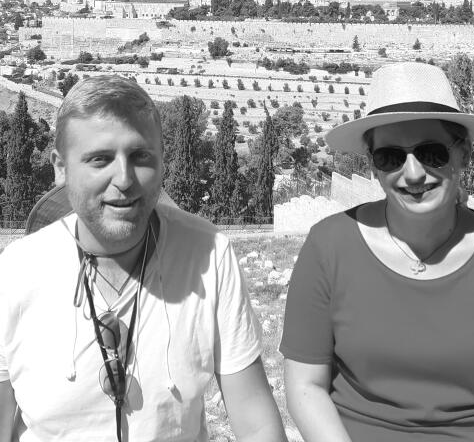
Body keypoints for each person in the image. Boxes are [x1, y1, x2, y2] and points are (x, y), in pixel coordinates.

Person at [0, 75, 287, 442]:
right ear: (60, 167)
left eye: (140, 157)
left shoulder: (208, 255)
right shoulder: (15, 272)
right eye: (100, 159)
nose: (124, 179)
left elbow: (257, 424)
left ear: (162, 161)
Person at [280, 62, 474, 442]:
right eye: (391, 157)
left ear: (463, 154)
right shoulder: (329, 247)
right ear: (372, 165)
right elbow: (305, 387)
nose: (413, 174)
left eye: (431, 153)